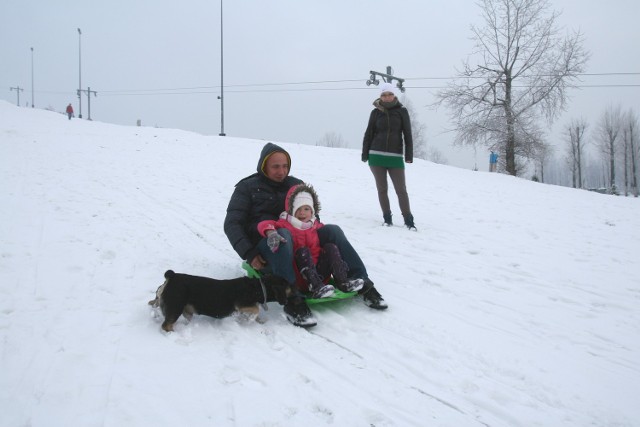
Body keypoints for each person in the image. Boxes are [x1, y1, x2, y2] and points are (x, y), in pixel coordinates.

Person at [224, 142, 388, 327]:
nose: (281, 171)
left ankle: (362, 281)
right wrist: (250, 253)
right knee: (282, 233)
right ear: (264, 166)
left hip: (301, 242)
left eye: (285, 166)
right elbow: (232, 224)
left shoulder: (295, 185)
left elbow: (311, 215)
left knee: (333, 230)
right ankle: (292, 298)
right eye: (275, 167)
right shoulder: (247, 188)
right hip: (267, 245)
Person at [257, 183, 365, 299]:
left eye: (306, 209)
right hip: (300, 275)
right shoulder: (285, 223)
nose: (302, 213)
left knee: (330, 247)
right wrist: (271, 232)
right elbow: (264, 224)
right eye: (298, 209)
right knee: (303, 251)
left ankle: (343, 281)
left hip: (320, 272)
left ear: (312, 211)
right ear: (291, 210)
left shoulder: (315, 225)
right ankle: (316, 288)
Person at [362, 82, 416, 230]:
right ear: (381, 96)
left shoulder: (402, 111)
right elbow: (369, 133)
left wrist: (409, 155)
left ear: (394, 95)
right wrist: (365, 153)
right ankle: (387, 218)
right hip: (376, 155)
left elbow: (408, 134)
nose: (387, 97)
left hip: (395, 156)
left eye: (389, 94)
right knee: (382, 189)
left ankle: (408, 220)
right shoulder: (375, 113)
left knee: (401, 189)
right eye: (384, 95)